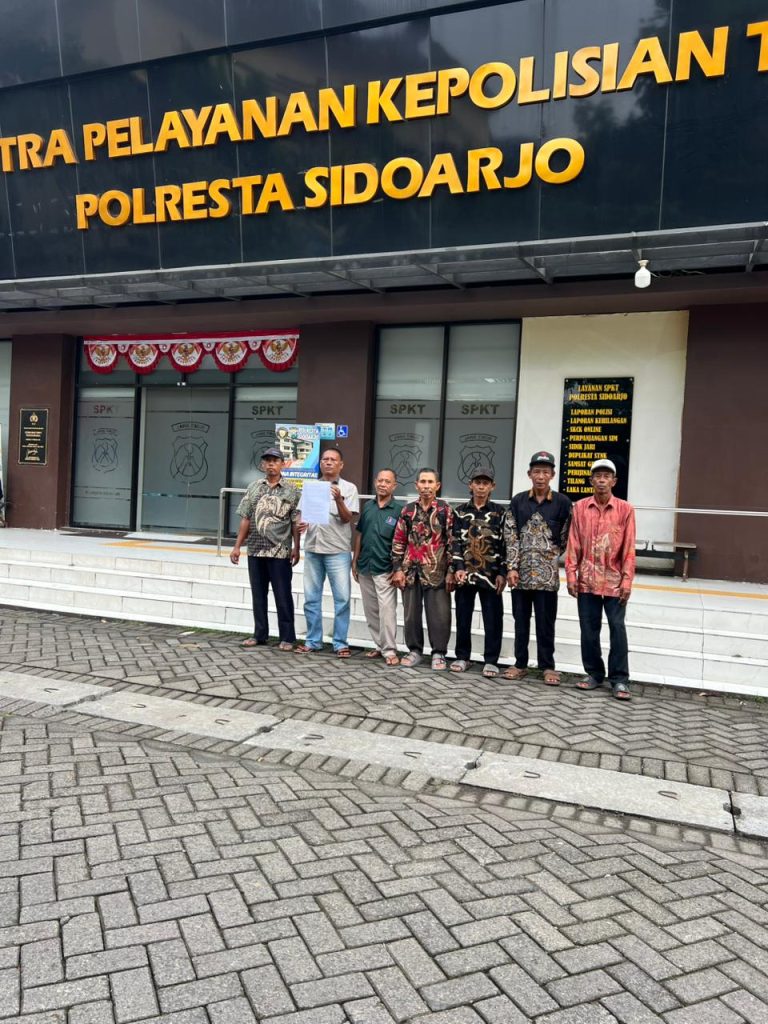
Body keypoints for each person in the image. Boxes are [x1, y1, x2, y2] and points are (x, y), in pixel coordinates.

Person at [565, 458, 636, 700]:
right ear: (591, 480)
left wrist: (627, 580)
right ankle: (594, 673)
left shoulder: (625, 509)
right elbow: (574, 543)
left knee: (617, 627)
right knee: (588, 629)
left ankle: (620, 679)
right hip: (587, 580)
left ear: (614, 481)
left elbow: (628, 547)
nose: (602, 480)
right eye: (598, 476)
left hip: (614, 581)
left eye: (607, 476)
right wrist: (571, 575)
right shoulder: (580, 507)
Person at [503, 451, 572, 685]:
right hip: (520, 575)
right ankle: (520, 664)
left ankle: (547, 666)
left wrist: (549, 557)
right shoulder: (518, 501)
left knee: (546, 623)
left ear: (552, 475)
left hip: (547, 577)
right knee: (520, 621)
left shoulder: (562, 503)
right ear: (529, 474)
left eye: (545, 472)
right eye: (536, 472)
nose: (540, 476)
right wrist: (512, 567)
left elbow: (566, 536)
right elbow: (511, 536)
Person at [230, 447, 301, 651]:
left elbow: (295, 522)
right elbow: (246, 518)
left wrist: (296, 548)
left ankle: (287, 637)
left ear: (282, 464)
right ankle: (259, 634)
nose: (271, 464)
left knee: (282, 595)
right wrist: (237, 546)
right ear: (262, 465)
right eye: (267, 460)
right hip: (255, 549)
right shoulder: (253, 487)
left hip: (280, 552)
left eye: (275, 460)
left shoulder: (292, 490)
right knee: (258, 595)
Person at [296, 447, 359, 658]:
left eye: (333, 459)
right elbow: (301, 516)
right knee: (311, 599)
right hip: (313, 548)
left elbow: (347, 518)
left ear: (341, 465)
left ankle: (340, 643)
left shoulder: (349, 488)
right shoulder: (311, 487)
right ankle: (313, 641)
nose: (328, 462)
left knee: (342, 599)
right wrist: (301, 524)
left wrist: (339, 499)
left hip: (337, 550)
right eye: (325, 459)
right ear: (320, 463)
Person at [391, 467, 455, 671]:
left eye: (430, 482)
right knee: (411, 614)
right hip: (411, 571)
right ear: (416, 485)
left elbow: (453, 542)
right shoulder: (408, 510)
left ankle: (439, 652)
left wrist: (452, 571)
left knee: (440, 615)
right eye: (423, 482)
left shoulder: (445, 510)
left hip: (437, 570)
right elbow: (399, 540)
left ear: (438, 486)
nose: (426, 486)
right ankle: (415, 650)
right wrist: (397, 568)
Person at [450, 467, 507, 678]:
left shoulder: (500, 513)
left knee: (493, 619)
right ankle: (462, 656)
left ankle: (491, 660)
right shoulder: (459, 511)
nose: (481, 487)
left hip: (491, 575)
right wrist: (458, 568)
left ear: (492, 486)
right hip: (465, 574)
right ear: (471, 485)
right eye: (478, 482)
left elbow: (506, 544)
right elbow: (455, 541)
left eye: (485, 483)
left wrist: (503, 572)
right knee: (463, 617)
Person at [352, 468, 404, 666]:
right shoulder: (368, 507)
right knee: (371, 611)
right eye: (380, 480)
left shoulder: (399, 510)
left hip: (386, 569)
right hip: (365, 565)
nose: (383, 484)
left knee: (387, 611)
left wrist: (398, 568)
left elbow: (403, 541)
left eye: (387, 481)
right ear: (375, 482)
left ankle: (390, 650)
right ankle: (380, 646)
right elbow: (360, 534)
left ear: (394, 486)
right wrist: (355, 560)